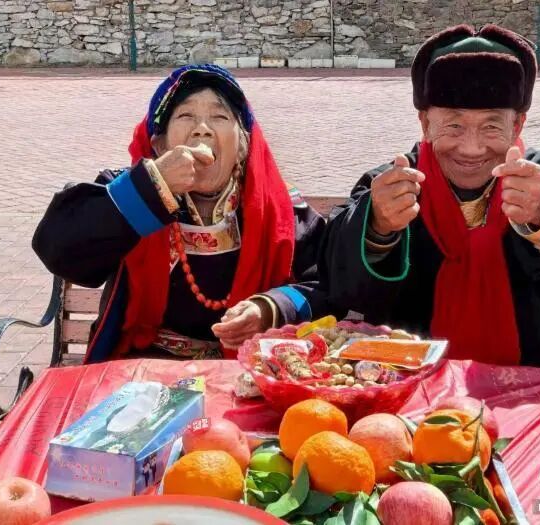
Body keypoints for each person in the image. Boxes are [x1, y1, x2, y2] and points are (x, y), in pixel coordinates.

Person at [319, 24, 540, 369]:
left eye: (491, 126)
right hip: (407, 378)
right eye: (454, 125)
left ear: (517, 125)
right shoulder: (390, 185)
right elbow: (339, 281)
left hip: (535, 375)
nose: (471, 148)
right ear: (425, 123)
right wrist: (378, 226)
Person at [33, 65, 325, 363]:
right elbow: (58, 250)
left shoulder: (279, 208)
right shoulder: (125, 189)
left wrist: (271, 308)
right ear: (160, 144)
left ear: (243, 146)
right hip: (146, 366)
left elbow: (326, 282)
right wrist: (152, 185)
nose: (202, 129)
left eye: (220, 117)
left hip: (248, 370)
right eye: (186, 116)